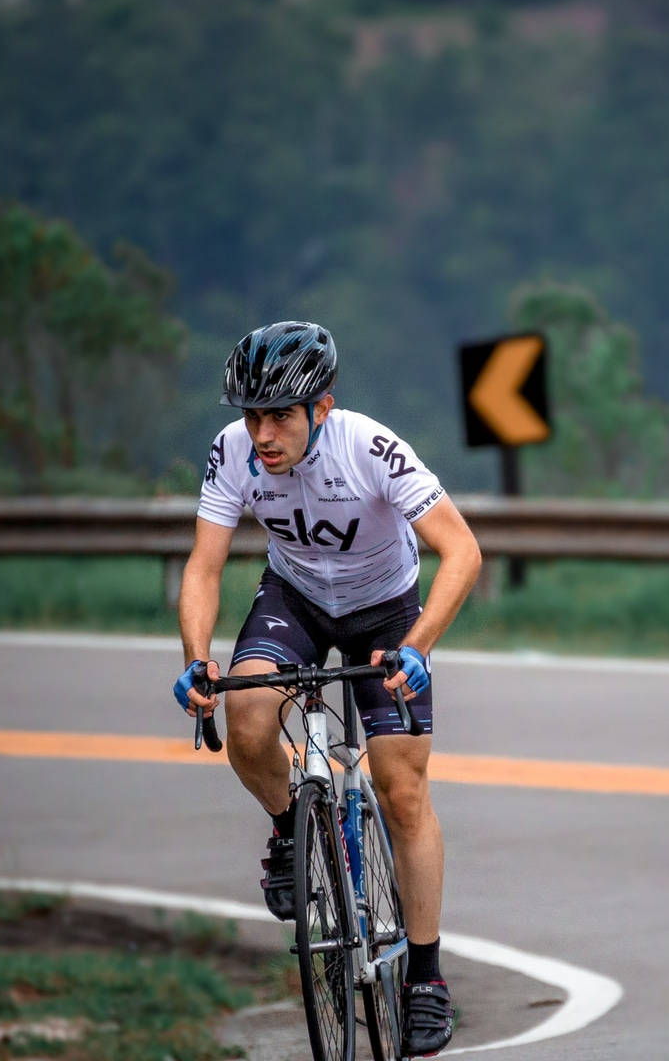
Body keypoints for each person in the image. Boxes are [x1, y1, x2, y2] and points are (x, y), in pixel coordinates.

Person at [173, 321, 480, 1057]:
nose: (263, 433)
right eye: (252, 415)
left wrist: (417, 649)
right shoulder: (233, 453)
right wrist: (196, 658)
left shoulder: (370, 448)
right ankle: (289, 830)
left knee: (402, 789)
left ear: (323, 408)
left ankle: (427, 979)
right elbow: (204, 567)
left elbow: (462, 550)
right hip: (297, 599)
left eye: (281, 415)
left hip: (387, 608)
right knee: (248, 719)